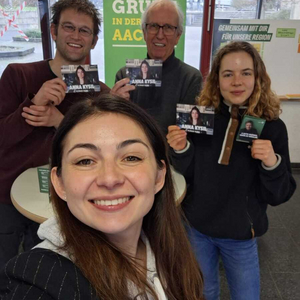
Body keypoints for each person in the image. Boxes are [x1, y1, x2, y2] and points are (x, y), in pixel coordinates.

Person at [0, 95, 204, 300]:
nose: (109, 178)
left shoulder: (173, 252)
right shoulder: (37, 279)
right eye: (85, 161)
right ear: (59, 182)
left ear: (159, 176)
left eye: (131, 157)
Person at [167, 41, 296, 300]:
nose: (237, 81)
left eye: (246, 73)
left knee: (246, 295)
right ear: (216, 79)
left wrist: (272, 162)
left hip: (240, 235)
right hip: (197, 228)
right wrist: (180, 149)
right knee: (204, 292)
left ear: (257, 77)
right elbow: (189, 173)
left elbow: (279, 194)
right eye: (228, 74)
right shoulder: (201, 118)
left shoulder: (272, 127)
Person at [0, 0, 112, 269]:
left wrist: (59, 121)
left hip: (68, 202)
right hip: (8, 198)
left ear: (94, 41)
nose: (76, 36)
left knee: (55, 275)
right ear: (53, 31)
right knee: (5, 271)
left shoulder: (100, 92)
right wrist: (33, 104)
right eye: (69, 27)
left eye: (84, 31)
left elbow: (101, 150)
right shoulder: (19, 75)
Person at [115, 0, 202, 133]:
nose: (160, 35)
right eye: (154, 26)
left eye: (168, 28)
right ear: (144, 32)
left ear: (178, 36)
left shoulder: (191, 79)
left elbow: (189, 137)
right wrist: (113, 107)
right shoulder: (124, 76)